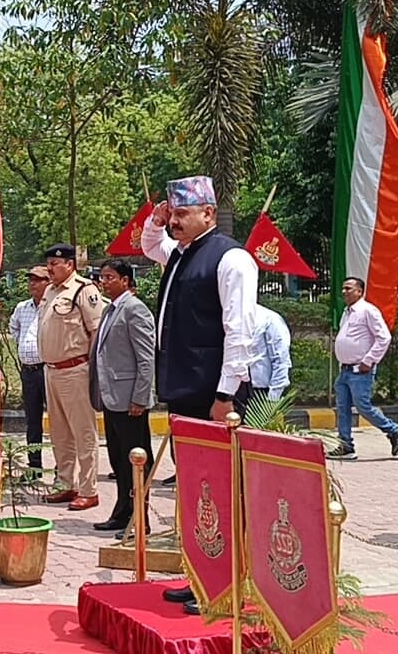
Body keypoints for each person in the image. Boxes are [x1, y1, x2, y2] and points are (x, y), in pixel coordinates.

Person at [140, 175, 258, 616]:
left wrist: (226, 393)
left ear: (208, 213)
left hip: (216, 395)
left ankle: (230, 583)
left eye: (183, 213)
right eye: (173, 213)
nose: (175, 222)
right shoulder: (181, 255)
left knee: (224, 490)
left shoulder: (231, 259)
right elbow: (151, 245)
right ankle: (201, 576)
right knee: (196, 490)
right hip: (185, 391)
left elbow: (239, 331)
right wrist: (156, 220)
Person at [89, 260, 156, 537]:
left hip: (130, 401)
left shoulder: (135, 310)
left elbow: (146, 358)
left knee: (137, 459)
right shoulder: (110, 308)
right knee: (118, 459)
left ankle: (141, 519)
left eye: (110, 277)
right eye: (102, 277)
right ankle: (122, 512)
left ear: (126, 281)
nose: (104, 282)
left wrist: (140, 397)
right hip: (111, 398)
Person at [38, 243, 105, 512]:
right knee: (59, 432)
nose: (50, 269)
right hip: (51, 370)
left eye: (55, 264)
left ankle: (89, 489)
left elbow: (96, 331)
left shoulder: (83, 290)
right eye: (49, 264)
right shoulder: (50, 291)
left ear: (69, 264)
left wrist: (89, 369)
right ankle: (65, 483)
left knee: (83, 432)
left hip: (75, 370)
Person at [329, 277, 398, 460]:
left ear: (360, 291)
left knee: (363, 407)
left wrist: (369, 360)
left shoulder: (368, 311)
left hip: (360, 370)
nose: (344, 292)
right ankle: (346, 445)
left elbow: (383, 337)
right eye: (343, 288)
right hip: (345, 370)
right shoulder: (347, 312)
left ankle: (393, 430)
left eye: (348, 288)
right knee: (342, 408)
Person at [8, 266, 50, 474]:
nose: (33, 283)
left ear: (49, 282)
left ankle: (62, 470)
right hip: (29, 371)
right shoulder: (22, 307)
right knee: (32, 421)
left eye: (38, 279)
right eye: (30, 280)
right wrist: (23, 343)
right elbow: (13, 327)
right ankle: (34, 467)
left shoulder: (53, 306)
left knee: (58, 421)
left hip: (49, 369)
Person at [250, 304, 292, 402]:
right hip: (234, 391)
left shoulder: (269, 319)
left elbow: (281, 360)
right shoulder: (229, 318)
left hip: (261, 392)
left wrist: (273, 398)